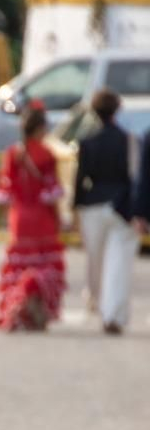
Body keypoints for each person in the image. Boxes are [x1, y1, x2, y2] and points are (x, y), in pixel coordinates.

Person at [0, 104, 66, 332]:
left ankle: (17, 306)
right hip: (42, 220)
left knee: (17, 269)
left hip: (19, 219)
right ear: (40, 128)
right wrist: (59, 219)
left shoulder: (13, 154)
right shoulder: (47, 154)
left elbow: (6, 192)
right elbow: (51, 194)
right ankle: (35, 304)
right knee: (45, 267)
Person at [73, 88, 137, 335]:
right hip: (121, 206)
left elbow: (80, 180)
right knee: (118, 263)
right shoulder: (128, 139)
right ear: (117, 110)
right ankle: (114, 313)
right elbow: (134, 177)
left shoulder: (87, 142)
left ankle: (97, 303)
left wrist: (75, 209)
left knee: (95, 260)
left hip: (93, 206)